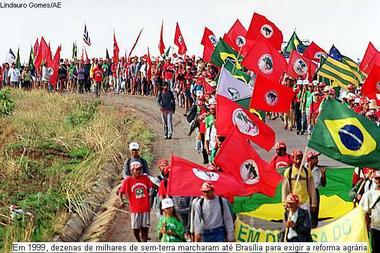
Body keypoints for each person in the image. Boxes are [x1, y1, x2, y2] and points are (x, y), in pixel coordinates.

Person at [119, 161, 153, 242]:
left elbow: (151, 187)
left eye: (139, 169)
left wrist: (151, 196)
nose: (138, 171)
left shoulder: (145, 178)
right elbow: (121, 192)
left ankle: (144, 241)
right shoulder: (128, 180)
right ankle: (138, 241)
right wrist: (121, 201)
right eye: (136, 169)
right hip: (135, 208)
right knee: (135, 228)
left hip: (145, 207)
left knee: (145, 226)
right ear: (132, 170)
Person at [282, 149, 317, 213]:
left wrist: (313, 204)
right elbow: (285, 189)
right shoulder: (288, 172)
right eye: (296, 158)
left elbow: (312, 189)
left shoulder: (307, 172)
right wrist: (285, 203)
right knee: (293, 222)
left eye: (300, 159)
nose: (298, 161)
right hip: (292, 203)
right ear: (293, 158)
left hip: (305, 203)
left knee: (306, 222)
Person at [360, 170, 380, 253]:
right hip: (375, 228)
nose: (379, 181)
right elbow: (365, 213)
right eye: (377, 178)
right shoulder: (368, 194)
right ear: (374, 179)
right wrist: (365, 229)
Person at [306, 151, 326, 228]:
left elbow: (323, 184)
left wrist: (323, 174)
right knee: (305, 210)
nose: (317, 160)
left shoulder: (318, 170)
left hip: (315, 192)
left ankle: (314, 227)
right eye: (315, 159)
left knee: (314, 211)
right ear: (310, 160)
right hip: (305, 192)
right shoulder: (303, 168)